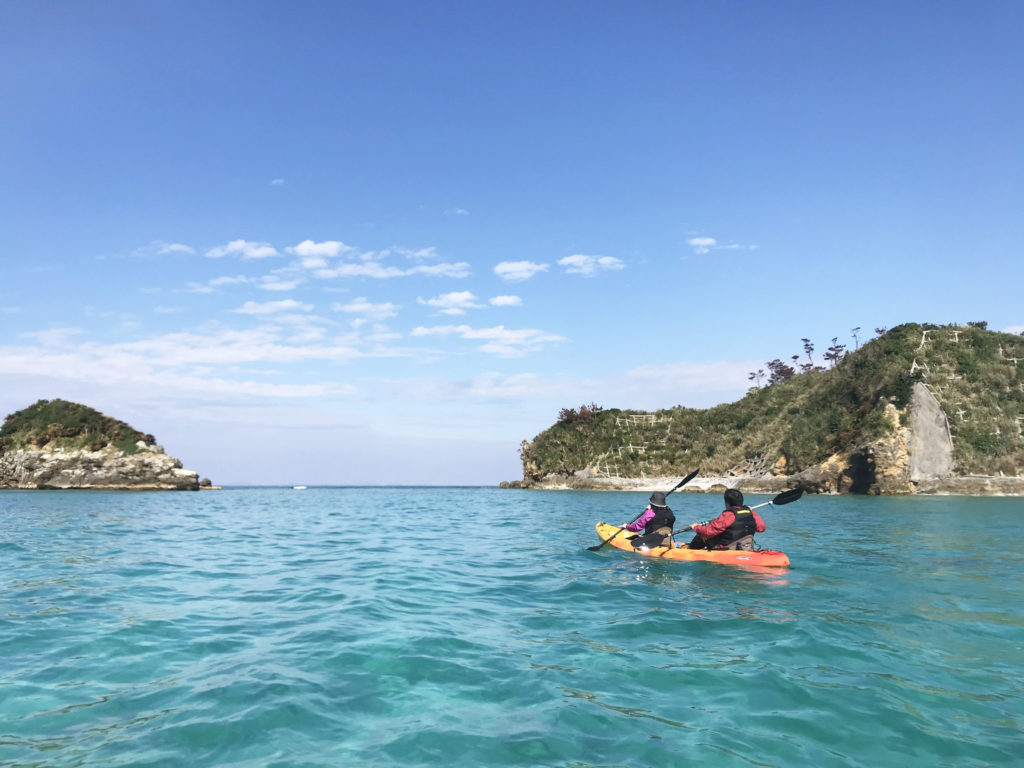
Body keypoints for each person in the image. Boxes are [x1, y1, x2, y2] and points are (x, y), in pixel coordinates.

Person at [687, 488, 765, 550]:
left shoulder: (728, 515)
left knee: (702, 535)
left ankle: (689, 550)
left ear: (727, 503)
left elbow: (708, 532)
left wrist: (696, 527)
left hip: (728, 548)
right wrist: (749, 511)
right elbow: (761, 528)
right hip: (745, 547)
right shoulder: (751, 512)